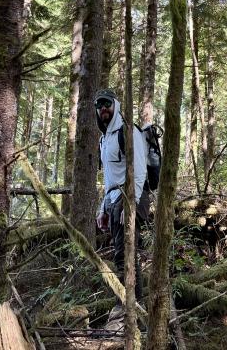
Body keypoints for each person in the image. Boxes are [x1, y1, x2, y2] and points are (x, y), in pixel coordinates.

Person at [94, 89, 150, 301]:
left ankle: (130, 308)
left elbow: (140, 170)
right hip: (114, 199)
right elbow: (110, 178)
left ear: (115, 105)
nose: (103, 108)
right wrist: (103, 208)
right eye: (99, 106)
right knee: (123, 253)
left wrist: (131, 206)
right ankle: (130, 306)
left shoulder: (127, 131)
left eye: (106, 103)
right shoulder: (104, 138)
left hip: (130, 198)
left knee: (125, 253)